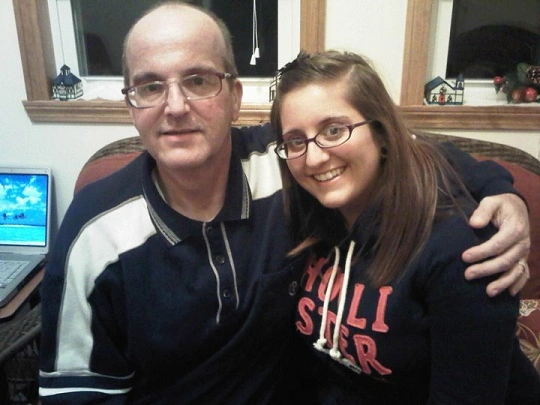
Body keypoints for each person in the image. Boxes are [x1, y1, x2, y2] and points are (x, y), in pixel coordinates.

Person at [38, 2, 531, 403]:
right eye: (150, 86)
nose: (176, 106)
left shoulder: (289, 164)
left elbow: (401, 148)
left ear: (234, 96)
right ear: (129, 103)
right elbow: (79, 392)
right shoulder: (92, 233)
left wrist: (499, 190)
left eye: (199, 80)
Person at [270, 50, 540, 404]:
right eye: (296, 140)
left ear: (382, 133)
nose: (314, 157)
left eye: (334, 130)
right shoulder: (314, 219)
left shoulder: (464, 250)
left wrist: (502, 189)